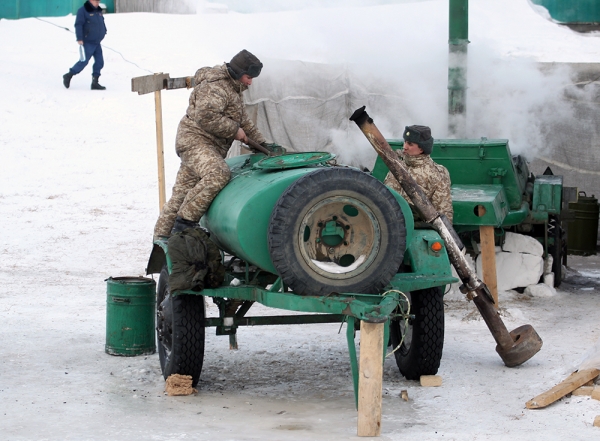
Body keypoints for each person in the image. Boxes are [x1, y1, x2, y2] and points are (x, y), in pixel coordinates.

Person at [153, 49, 269, 239]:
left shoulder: (233, 87)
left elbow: (243, 121)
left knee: (182, 195)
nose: (250, 82)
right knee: (218, 173)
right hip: (195, 141)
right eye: (249, 77)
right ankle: (185, 223)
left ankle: (162, 242)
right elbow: (206, 117)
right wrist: (234, 130)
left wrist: (262, 143)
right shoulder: (216, 87)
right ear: (239, 73)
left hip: (206, 145)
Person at [384, 125, 453, 222]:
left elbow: (444, 212)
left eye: (410, 144)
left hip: (414, 229)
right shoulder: (398, 166)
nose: (405, 147)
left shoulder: (437, 173)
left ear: (422, 149)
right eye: (405, 142)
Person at [62, 0, 107, 90]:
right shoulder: (83, 10)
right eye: (96, 1)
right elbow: (78, 25)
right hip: (88, 42)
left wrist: (104, 31)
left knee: (99, 62)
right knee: (83, 62)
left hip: (97, 42)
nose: (98, 3)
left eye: (98, 1)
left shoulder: (98, 11)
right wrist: (79, 38)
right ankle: (69, 75)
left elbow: (101, 22)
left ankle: (95, 82)